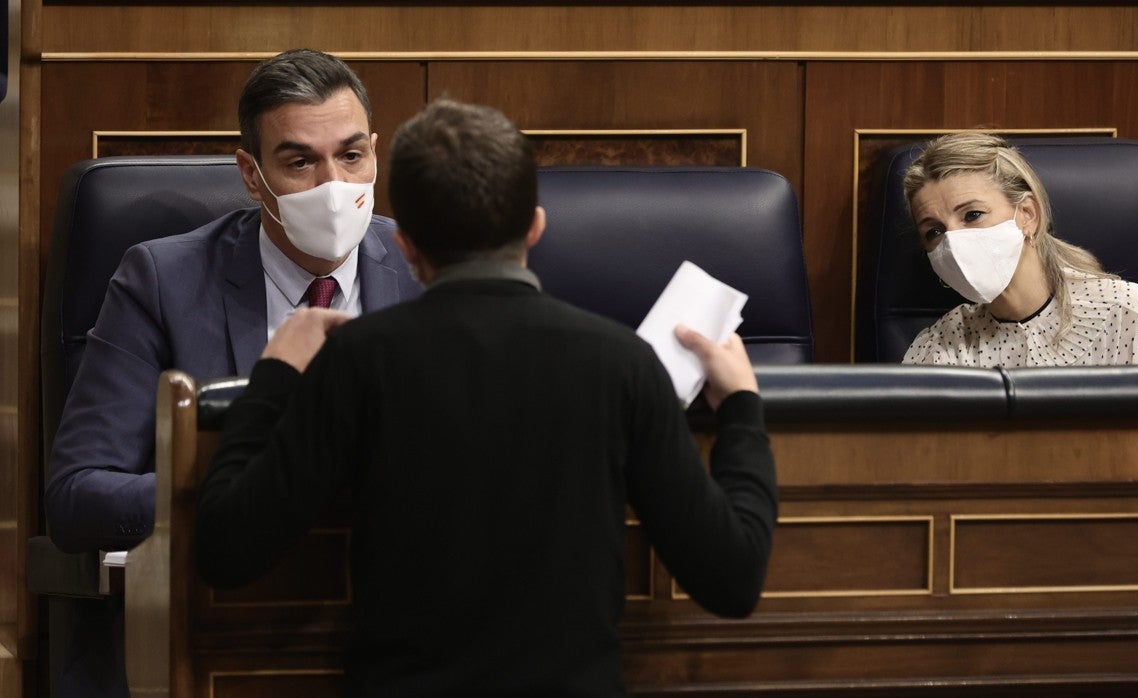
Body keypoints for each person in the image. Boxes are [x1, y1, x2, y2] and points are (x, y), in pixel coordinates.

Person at [195, 97, 778, 696]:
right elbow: (732, 579)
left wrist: (273, 379)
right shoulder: (621, 364)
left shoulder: (357, 360)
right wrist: (740, 409)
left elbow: (226, 550)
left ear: (407, 247)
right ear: (535, 227)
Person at [44, 49, 423, 697]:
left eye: (352, 155)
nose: (333, 185)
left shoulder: (426, 270)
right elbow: (78, 497)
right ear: (252, 175)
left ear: (377, 154)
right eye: (300, 161)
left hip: (395, 629)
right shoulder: (162, 280)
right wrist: (247, 497)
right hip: (218, 628)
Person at [900, 132, 1138, 367]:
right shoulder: (939, 347)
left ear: (1028, 215)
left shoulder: (1132, 315)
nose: (953, 242)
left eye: (972, 215)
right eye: (934, 231)